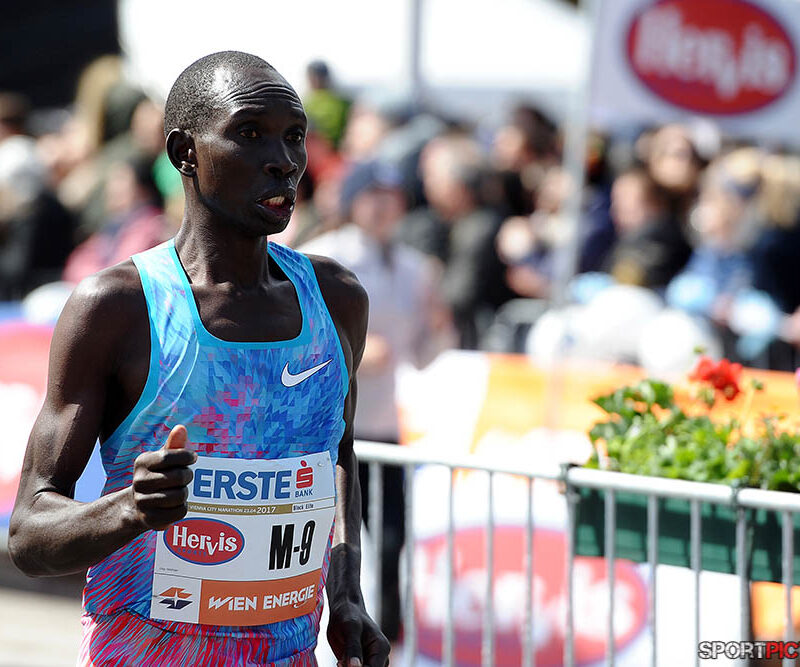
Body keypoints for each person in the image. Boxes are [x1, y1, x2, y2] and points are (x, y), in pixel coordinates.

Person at [9, 51, 389, 667]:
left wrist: (346, 594)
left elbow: (336, 455)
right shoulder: (119, 307)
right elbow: (30, 534)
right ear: (184, 152)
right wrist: (130, 509)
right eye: (250, 133)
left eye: (294, 136)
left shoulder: (336, 298)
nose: (284, 160)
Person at [300, 160, 453, 641]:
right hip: (329, 429)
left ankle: (384, 638)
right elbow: (292, 338)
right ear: (353, 201)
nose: (385, 207)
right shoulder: (323, 257)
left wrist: (440, 324)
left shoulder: (414, 268)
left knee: (391, 542)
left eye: (393, 196)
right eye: (374, 195)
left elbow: (424, 356)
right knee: (328, 542)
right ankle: (321, 630)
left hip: (383, 427)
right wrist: (355, 356)